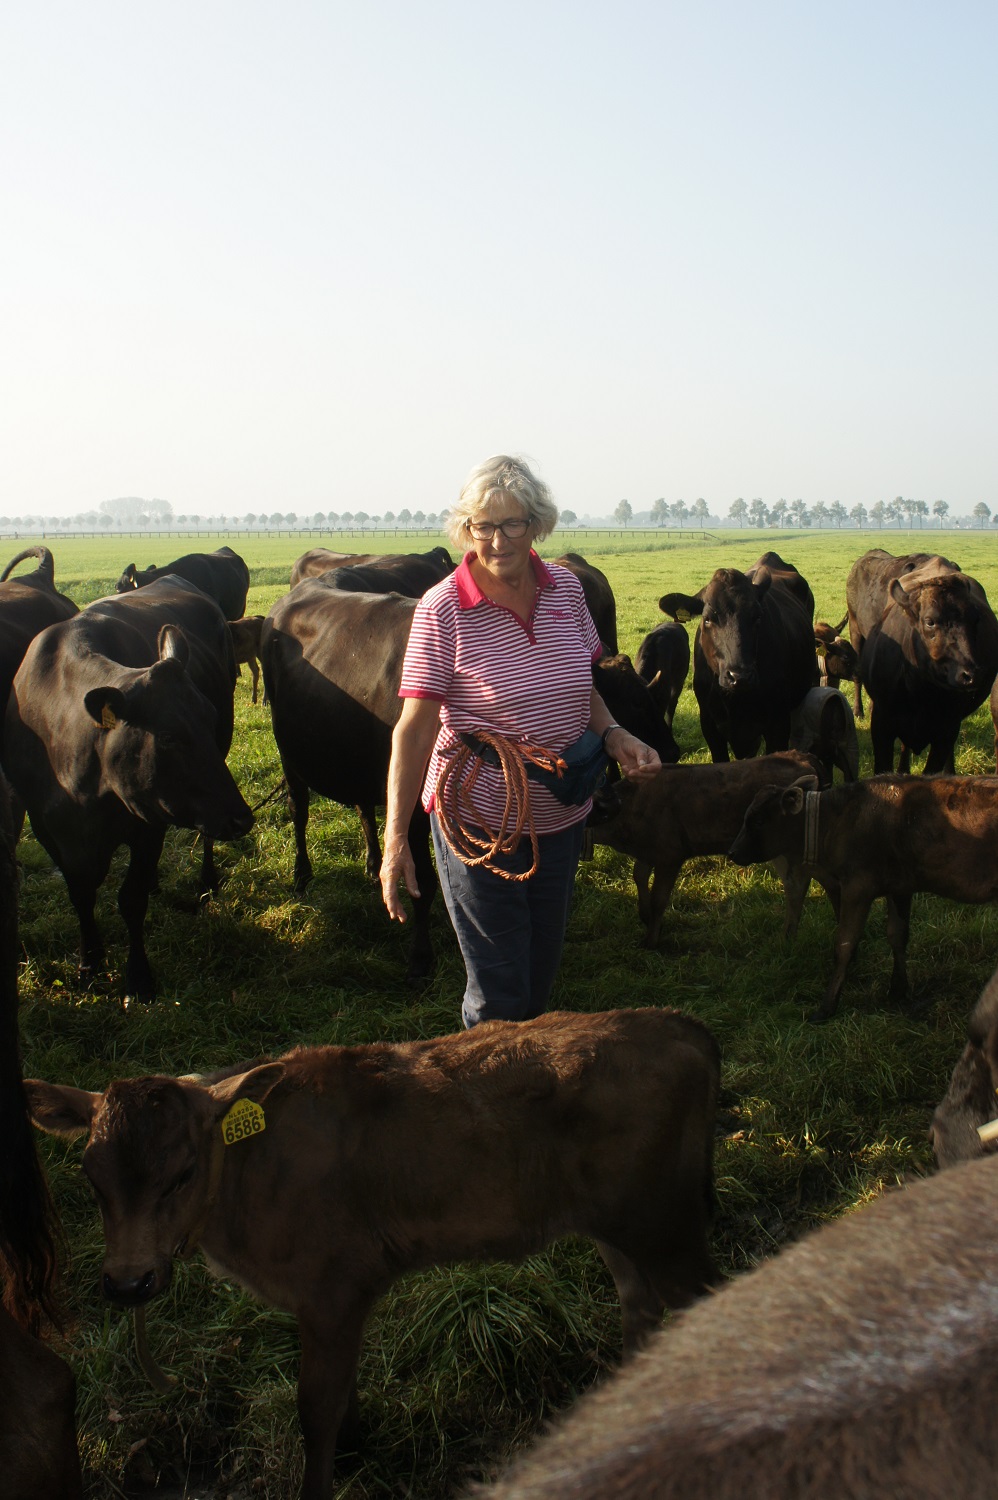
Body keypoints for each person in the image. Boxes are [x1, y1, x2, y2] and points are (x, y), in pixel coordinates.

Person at [380, 455, 661, 1027]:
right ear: (465, 528)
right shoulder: (443, 609)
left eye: (511, 524)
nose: (497, 540)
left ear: (537, 524)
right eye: (482, 525)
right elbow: (413, 729)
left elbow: (581, 687)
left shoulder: (566, 591)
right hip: (478, 822)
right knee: (498, 995)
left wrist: (614, 735)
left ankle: (526, 1073)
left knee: (539, 976)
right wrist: (395, 841)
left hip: (560, 817)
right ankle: (489, 1079)